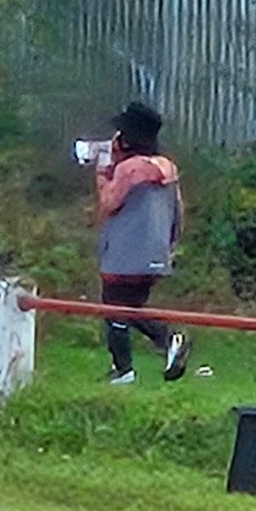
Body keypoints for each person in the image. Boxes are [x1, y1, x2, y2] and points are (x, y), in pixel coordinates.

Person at [95, 102, 191, 384]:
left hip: (125, 253)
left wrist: (102, 173)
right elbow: (179, 210)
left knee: (113, 307)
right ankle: (166, 343)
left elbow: (109, 202)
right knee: (131, 307)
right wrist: (170, 243)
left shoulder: (129, 170)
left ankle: (125, 368)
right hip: (155, 251)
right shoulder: (168, 168)